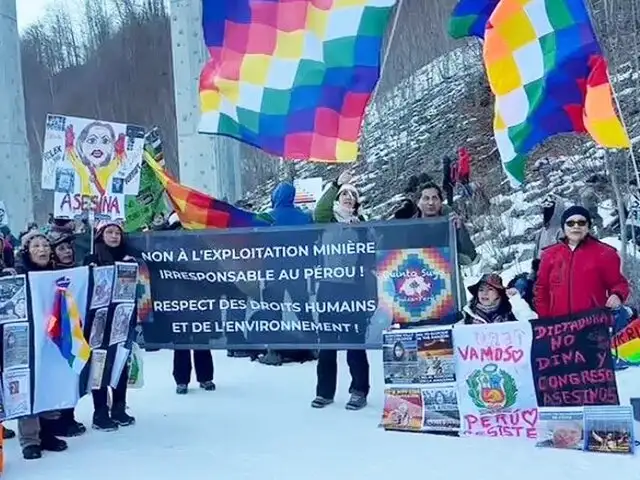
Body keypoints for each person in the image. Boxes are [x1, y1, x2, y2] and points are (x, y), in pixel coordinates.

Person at [311, 171, 373, 411]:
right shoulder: (326, 223)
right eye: (343, 194)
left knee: (354, 343)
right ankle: (324, 392)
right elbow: (319, 211)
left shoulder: (364, 223)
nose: (348, 197)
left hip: (355, 291)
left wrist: (363, 230)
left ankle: (359, 390)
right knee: (326, 342)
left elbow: (372, 256)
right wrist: (336, 182)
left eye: (352, 195)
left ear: (357, 202)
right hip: (328, 289)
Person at [11, 230, 68, 459]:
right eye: (36, 246)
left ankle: (47, 433)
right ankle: (29, 440)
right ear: (27, 251)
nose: (42, 250)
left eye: (45, 245)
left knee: (48, 383)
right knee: (28, 386)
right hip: (25, 340)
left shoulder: (57, 274)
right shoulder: (16, 274)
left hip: (49, 337)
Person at [84, 220, 136, 431]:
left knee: (121, 363)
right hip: (99, 322)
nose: (114, 236)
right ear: (100, 235)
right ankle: (100, 412)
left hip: (122, 321)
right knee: (100, 365)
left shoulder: (128, 257)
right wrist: (89, 270)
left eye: (117, 233)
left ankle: (119, 408)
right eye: (110, 232)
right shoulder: (92, 258)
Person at [534, 206, 630, 318]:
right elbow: (541, 290)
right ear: (563, 227)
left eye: (581, 222)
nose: (576, 226)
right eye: (570, 223)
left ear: (588, 226)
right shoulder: (549, 254)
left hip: (593, 323)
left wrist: (617, 295)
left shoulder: (605, 253)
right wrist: (544, 319)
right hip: (559, 326)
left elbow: (619, 284)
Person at [258, 182, 316, 366]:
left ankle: (274, 351)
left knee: (273, 311)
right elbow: (312, 241)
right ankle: (314, 346)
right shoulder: (305, 217)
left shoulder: (266, 218)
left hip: (272, 271)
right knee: (303, 308)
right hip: (297, 271)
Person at [394, 182, 477, 303]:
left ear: (440, 202)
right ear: (418, 202)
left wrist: (460, 230)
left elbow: (469, 257)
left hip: (450, 289)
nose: (431, 203)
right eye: (426, 198)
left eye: (435, 198)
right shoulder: (408, 229)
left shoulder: (452, 223)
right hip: (418, 291)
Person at [162, 213, 216, 395]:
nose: (182, 233)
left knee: (202, 340)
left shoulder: (201, 244)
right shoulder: (164, 247)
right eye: (178, 228)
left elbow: (213, 266)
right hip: (177, 300)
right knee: (181, 342)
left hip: (200, 299)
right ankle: (182, 380)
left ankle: (205, 377)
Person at [46, 230, 87, 437]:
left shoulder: (77, 270)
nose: (67, 252)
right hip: (54, 332)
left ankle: (69, 416)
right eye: (61, 248)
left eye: (69, 248)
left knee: (72, 373)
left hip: (74, 329)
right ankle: (57, 421)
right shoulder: (48, 274)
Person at [464, 273, 536, 324]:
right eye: (481, 290)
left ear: (499, 293)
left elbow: (531, 323)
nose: (484, 293)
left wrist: (516, 300)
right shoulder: (467, 315)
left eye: (490, 289)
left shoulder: (511, 311)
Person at [531, 195, 566, 283]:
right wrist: (531, 277)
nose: (546, 213)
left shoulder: (563, 231)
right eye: (545, 209)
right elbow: (536, 255)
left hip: (558, 279)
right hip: (540, 278)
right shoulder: (541, 232)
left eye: (550, 209)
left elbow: (565, 258)